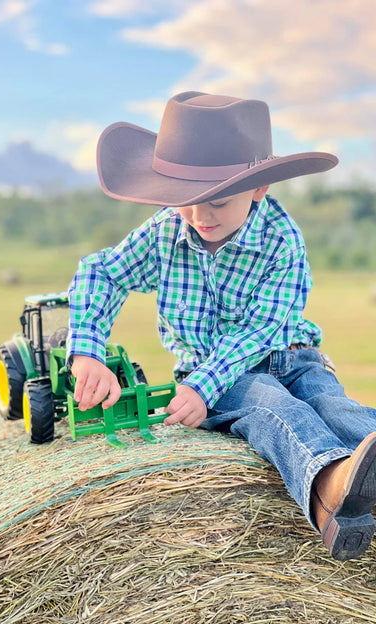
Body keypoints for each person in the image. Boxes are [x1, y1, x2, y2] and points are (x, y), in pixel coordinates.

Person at [67, 91, 376, 561]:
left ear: (258, 190)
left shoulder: (281, 240)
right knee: (273, 408)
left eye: (218, 201)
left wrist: (204, 386)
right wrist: (88, 349)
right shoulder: (165, 231)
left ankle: (364, 459)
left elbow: (261, 329)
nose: (199, 216)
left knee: (330, 402)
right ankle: (333, 491)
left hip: (288, 350)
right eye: (185, 202)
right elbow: (102, 272)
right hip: (218, 375)